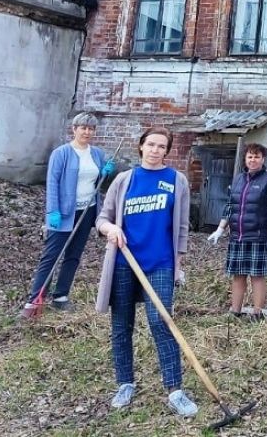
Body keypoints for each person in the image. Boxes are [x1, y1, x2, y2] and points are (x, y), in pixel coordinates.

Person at [94, 126, 198, 417]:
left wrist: (178, 265)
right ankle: (125, 383)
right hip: (125, 262)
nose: (155, 150)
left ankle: (175, 390)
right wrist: (111, 228)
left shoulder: (176, 181)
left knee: (161, 322)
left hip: (160, 263)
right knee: (121, 325)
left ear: (167, 150)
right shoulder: (124, 180)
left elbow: (181, 228)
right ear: (141, 147)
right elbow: (102, 218)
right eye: (150, 144)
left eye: (161, 146)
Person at [20, 112, 115, 318]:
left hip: (87, 211)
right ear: (74, 129)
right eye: (83, 128)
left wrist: (105, 172)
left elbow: (97, 181)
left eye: (91, 129)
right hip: (63, 213)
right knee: (51, 256)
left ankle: (60, 296)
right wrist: (52, 211)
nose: (87, 132)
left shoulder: (97, 153)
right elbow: (52, 182)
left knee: (73, 256)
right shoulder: (61, 153)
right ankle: (35, 299)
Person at [207, 142, 267, 320]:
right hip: (237, 236)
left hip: (258, 236)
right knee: (238, 275)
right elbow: (230, 206)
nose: (253, 160)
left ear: (263, 159)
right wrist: (220, 229)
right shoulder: (238, 179)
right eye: (250, 156)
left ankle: (257, 313)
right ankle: (235, 312)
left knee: (257, 276)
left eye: (257, 157)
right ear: (245, 158)